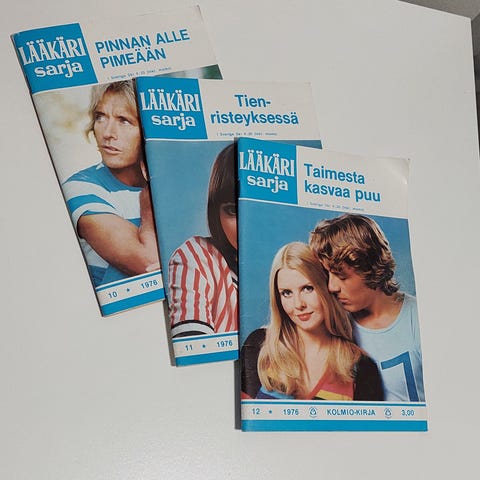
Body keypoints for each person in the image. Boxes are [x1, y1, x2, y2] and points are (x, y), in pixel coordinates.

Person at [241, 242, 383, 401]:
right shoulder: (258, 347)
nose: (298, 304)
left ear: (326, 287)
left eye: (307, 288)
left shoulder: (361, 367)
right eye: (286, 293)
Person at [309, 214, 425, 402]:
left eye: (341, 276)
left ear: (369, 267)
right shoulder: (335, 325)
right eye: (328, 274)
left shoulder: (418, 318)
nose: (332, 287)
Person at [62, 81, 159, 287]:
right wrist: (149, 205)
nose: (107, 133)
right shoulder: (80, 188)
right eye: (100, 117)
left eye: (124, 120)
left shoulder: (174, 181)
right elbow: (149, 264)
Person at [168, 144, 238, 338]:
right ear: (216, 213)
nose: (246, 224)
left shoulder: (295, 264)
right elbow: (193, 347)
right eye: (233, 211)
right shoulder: (197, 257)